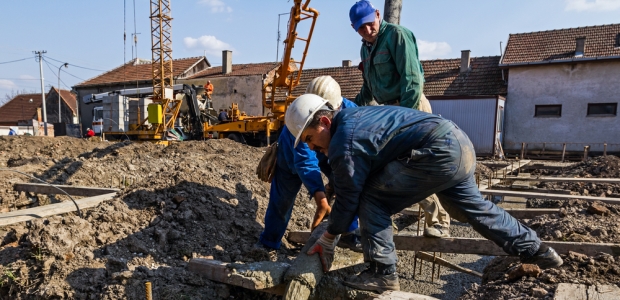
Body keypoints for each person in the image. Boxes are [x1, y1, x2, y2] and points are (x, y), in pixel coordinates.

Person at [285, 94, 563, 293]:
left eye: (310, 139)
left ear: (324, 121)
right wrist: (335, 183)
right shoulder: (355, 118)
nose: (310, 147)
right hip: (458, 143)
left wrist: (329, 238)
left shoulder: (344, 140)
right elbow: (357, 169)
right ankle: (538, 250)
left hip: (437, 152)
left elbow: (350, 198)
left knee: (371, 197)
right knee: (472, 208)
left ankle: (382, 272)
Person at [350, 0, 450, 237]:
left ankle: (439, 222)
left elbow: (412, 81)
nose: (367, 30)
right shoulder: (365, 48)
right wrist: (348, 110)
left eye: (369, 24)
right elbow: (368, 89)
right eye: (360, 28)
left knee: (417, 166)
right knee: (388, 169)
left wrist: (405, 119)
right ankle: (383, 222)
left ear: (377, 14)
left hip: (411, 108)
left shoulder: (398, 36)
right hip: (391, 112)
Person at [256, 76, 362, 251]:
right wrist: (321, 199)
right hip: (290, 160)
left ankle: (350, 233)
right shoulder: (300, 118)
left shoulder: (351, 111)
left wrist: (337, 181)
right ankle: (269, 243)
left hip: (330, 153)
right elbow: (306, 161)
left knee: (351, 184)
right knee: (281, 202)